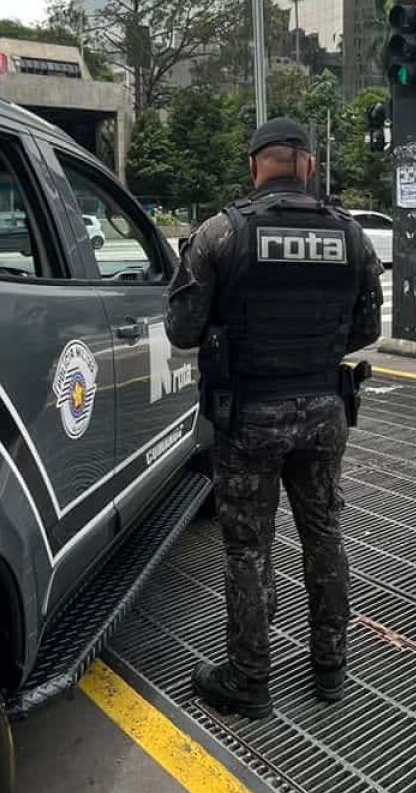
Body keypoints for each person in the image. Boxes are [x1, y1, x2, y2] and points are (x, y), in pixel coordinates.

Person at [164, 117, 384, 718]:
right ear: (309, 165)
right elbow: (367, 330)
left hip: (249, 417)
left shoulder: (218, 234)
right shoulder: (352, 235)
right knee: (325, 535)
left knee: (248, 549)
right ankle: (331, 669)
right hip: (323, 411)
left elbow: (181, 331)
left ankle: (249, 680)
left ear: (253, 165)